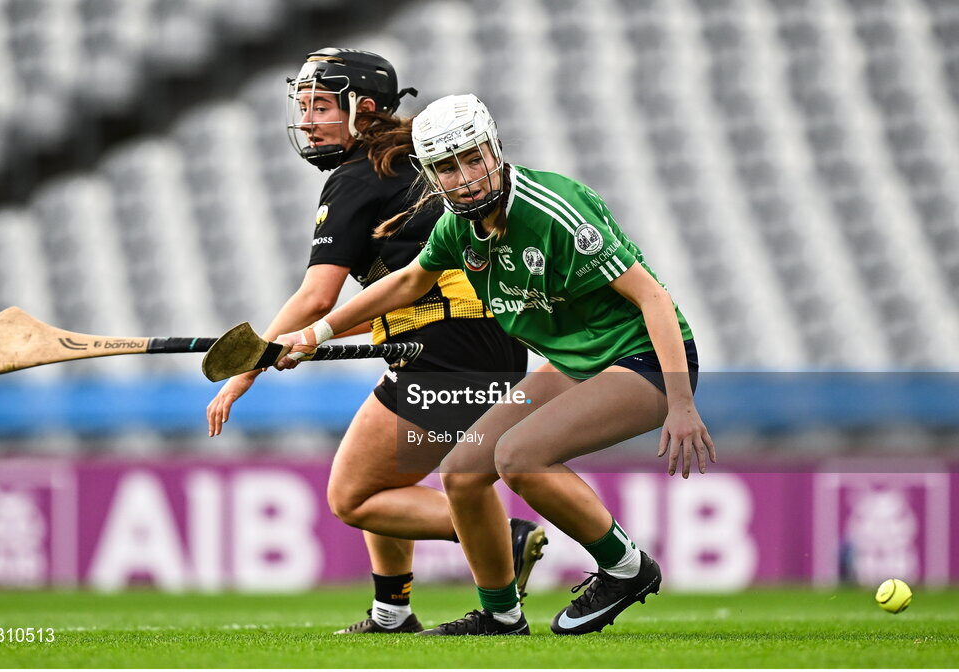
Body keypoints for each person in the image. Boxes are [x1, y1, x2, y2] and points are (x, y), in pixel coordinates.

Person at [274, 94, 716, 636]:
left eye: (472, 158)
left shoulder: (554, 208)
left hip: (640, 355)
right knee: (462, 472)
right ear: (431, 175)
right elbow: (410, 281)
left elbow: (652, 299)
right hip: (574, 361)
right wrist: (317, 332)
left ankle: (627, 568)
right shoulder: (459, 225)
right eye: (445, 167)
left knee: (519, 457)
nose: (464, 177)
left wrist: (681, 403)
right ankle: (501, 616)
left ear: (494, 148)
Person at [205, 52, 545, 634]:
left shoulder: (359, 176)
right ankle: (392, 613)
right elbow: (412, 296)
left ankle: (504, 540)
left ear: (363, 110)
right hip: (483, 341)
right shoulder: (416, 162)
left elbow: (317, 296)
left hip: (445, 352)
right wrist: (308, 343)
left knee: (353, 496)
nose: (306, 121)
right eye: (303, 107)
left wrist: (246, 371)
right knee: (383, 481)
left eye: (318, 107)